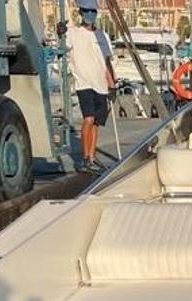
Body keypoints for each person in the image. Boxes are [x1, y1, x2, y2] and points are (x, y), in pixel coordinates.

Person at [64, 0, 115, 173]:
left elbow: (107, 62)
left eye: (93, 12)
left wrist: (112, 85)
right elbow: (61, 47)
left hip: (100, 84)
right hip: (84, 83)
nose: (90, 15)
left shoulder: (102, 36)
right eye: (86, 11)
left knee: (96, 123)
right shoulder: (73, 33)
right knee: (89, 118)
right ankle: (85, 158)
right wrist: (59, 33)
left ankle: (92, 157)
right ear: (81, 12)